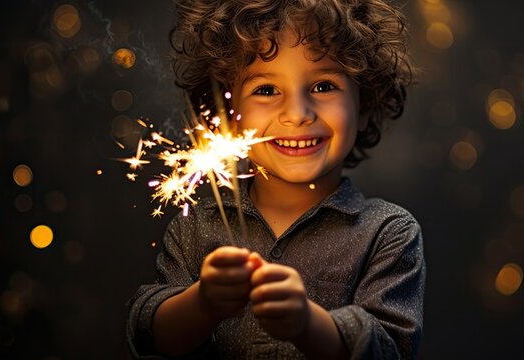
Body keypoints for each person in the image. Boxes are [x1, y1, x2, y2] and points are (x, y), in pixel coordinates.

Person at [126, 0, 424, 358]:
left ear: (364, 107)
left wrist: (308, 324)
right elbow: (147, 338)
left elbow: (390, 350)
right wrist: (203, 304)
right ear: (228, 116)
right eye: (266, 90)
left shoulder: (388, 233)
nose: (297, 114)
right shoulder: (194, 230)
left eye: (324, 86)